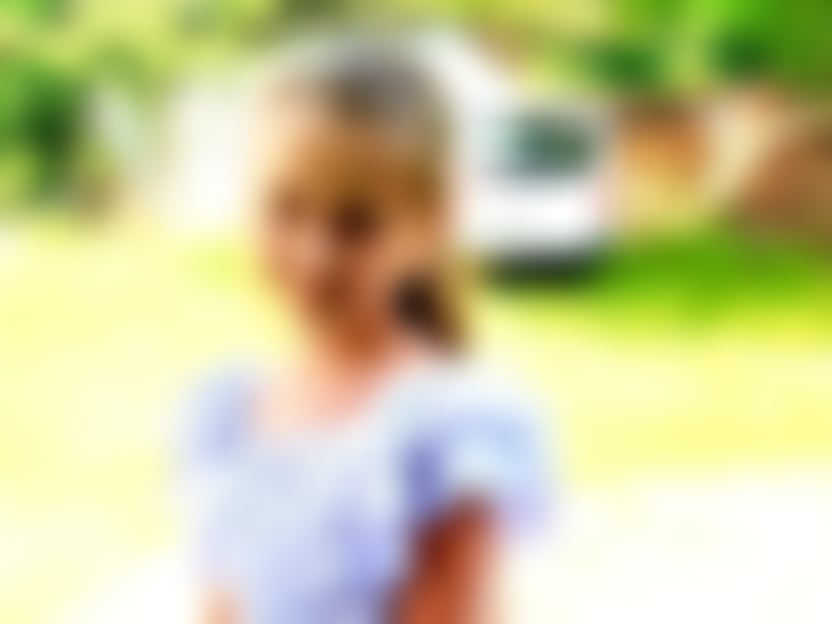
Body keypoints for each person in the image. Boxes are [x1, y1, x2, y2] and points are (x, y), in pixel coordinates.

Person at [181, 38, 548, 624]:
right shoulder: (228, 414)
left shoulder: (450, 429)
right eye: (285, 209)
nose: (315, 255)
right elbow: (220, 606)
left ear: (432, 221)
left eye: (357, 224)